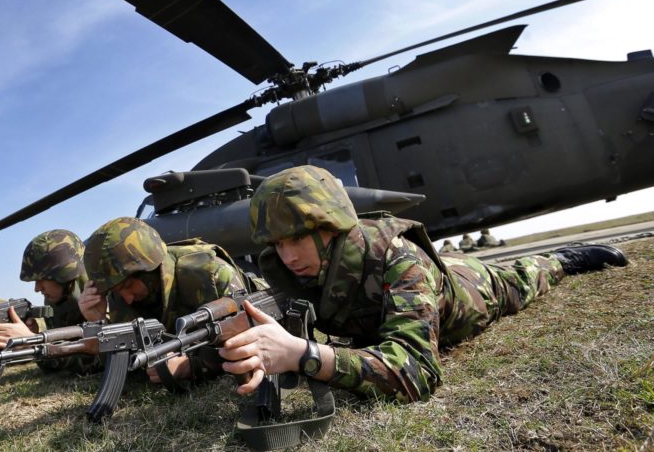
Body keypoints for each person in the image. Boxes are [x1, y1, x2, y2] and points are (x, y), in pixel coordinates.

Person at [219, 166, 628, 403]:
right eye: (277, 244)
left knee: (519, 279)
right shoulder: (298, 270)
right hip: (407, 302)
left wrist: (304, 354)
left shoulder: (400, 259)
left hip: (471, 293)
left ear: (332, 227)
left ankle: (562, 258)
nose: (288, 256)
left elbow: (416, 372)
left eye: (296, 239)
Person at [78, 217, 259, 386]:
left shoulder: (209, 274)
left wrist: (193, 367)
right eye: (117, 291)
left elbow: (251, 343)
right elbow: (121, 366)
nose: (128, 298)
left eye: (128, 285)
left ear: (149, 269)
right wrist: (98, 322)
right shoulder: (121, 297)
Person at [0, 229, 103, 375]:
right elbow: (60, 362)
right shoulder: (57, 298)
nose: (37, 288)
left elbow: (101, 359)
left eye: (41, 279)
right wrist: (34, 340)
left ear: (63, 274)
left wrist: (35, 343)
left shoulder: (100, 291)